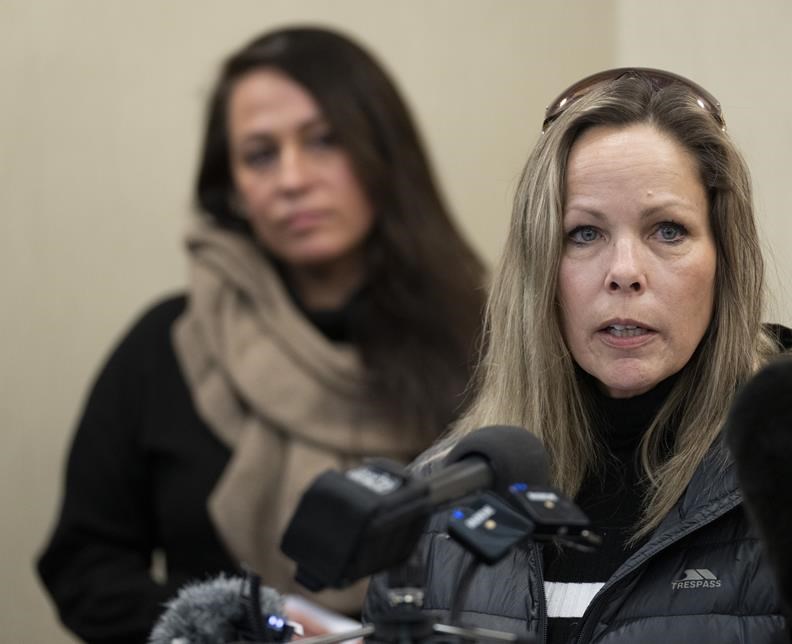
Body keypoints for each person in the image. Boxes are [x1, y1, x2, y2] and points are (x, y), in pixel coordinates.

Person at [363, 69, 792, 642]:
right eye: (584, 234)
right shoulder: (440, 501)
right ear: (541, 267)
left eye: (667, 230)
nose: (625, 273)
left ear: (725, 261)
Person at [37, 26, 485, 644]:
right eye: (260, 154)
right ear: (235, 190)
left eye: (325, 141)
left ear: (384, 157)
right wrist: (236, 628)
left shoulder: (482, 342)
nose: (292, 178)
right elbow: (85, 568)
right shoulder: (165, 346)